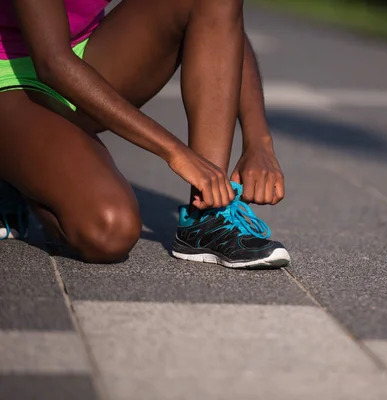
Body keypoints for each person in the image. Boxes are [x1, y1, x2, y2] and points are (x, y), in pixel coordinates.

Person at [0, 0, 290, 268]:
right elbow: (53, 63)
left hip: (85, 54)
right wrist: (174, 151)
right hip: (14, 74)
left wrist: (258, 142)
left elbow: (220, 16)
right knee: (108, 230)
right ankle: (16, 169)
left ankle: (207, 217)